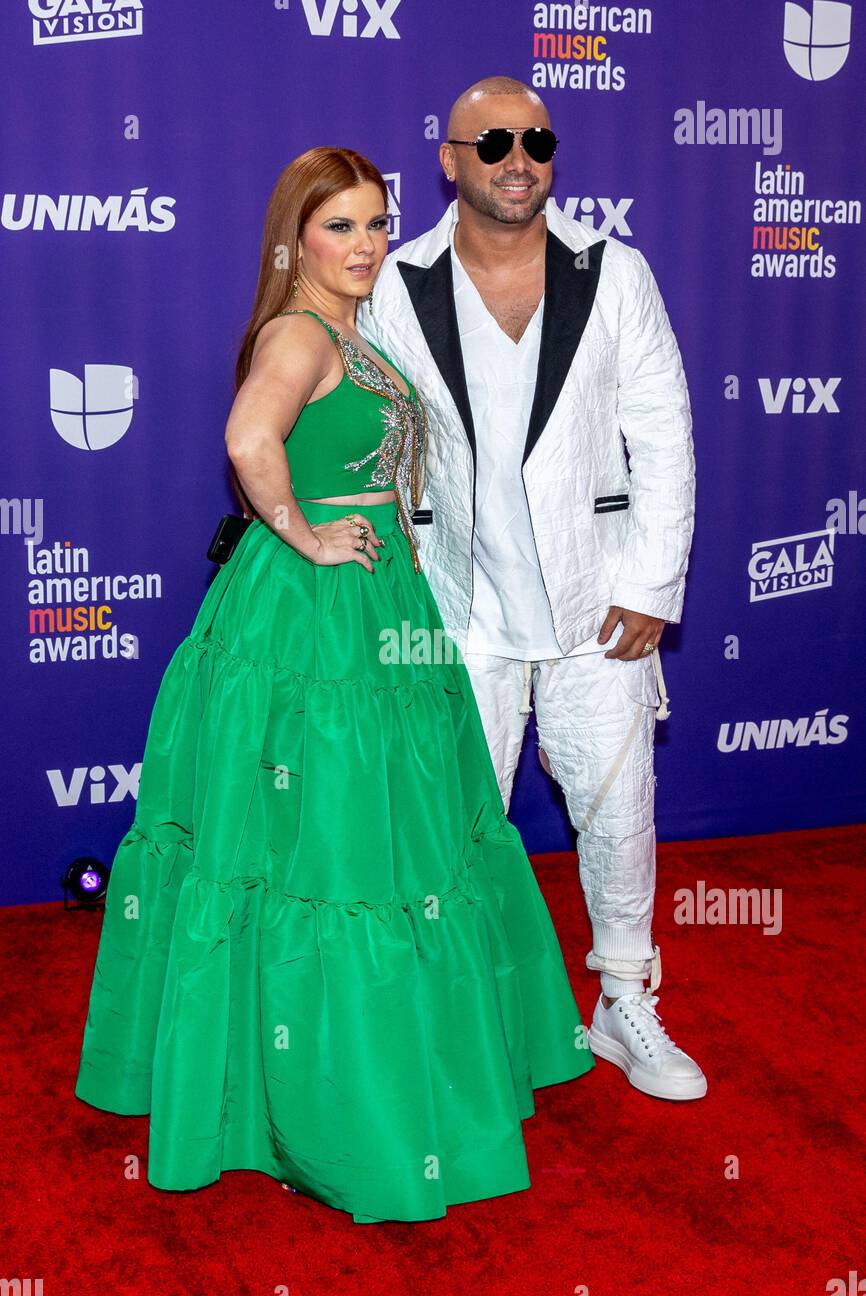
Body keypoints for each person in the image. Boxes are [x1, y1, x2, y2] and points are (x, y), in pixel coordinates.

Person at [73, 146, 595, 1225]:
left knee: (370, 836)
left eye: (374, 224)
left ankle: (358, 1076)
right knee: (326, 845)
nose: (363, 247)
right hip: (311, 620)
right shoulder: (299, 334)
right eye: (339, 228)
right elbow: (248, 438)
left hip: (377, 608)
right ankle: (328, 1103)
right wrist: (304, 534)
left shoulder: (349, 328)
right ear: (292, 240)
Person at [357, 77, 706, 1102]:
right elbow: (374, 444)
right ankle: (450, 1017)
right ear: (449, 159)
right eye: (495, 140)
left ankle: (623, 998)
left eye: (537, 139)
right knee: (450, 815)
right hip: (456, 607)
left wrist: (650, 580)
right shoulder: (397, 280)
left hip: (600, 603)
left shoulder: (612, 272)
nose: (519, 158)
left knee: (616, 806)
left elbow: (665, 435)